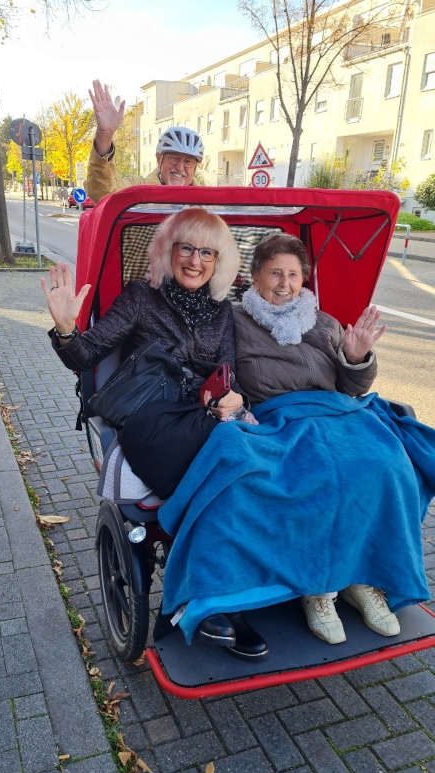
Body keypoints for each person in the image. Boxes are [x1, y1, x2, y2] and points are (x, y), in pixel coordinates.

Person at [158, 233, 435, 650]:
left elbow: (350, 385)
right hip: (276, 418)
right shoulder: (234, 322)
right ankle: (319, 589)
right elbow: (208, 366)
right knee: (308, 476)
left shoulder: (322, 323)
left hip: (339, 414)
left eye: (293, 274)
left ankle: (361, 578)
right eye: (275, 274)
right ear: (254, 277)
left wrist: (356, 357)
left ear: (305, 279)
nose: (285, 283)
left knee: (386, 462)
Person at [41, 206, 267, 658]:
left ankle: (241, 584)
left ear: (219, 261)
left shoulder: (222, 312)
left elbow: (227, 371)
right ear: (169, 250)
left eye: (208, 252)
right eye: (187, 247)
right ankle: (197, 600)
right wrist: (66, 327)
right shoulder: (142, 298)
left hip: (200, 415)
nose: (196, 260)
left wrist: (235, 398)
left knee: (255, 467)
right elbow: (87, 354)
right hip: (149, 419)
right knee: (219, 465)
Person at [86, 80, 205, 204]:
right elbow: (104, 193)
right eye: (174, 158)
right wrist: (105, 135)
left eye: (188, 162)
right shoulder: (138, 190)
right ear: (159, 159)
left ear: (195, 167)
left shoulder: (208, 202)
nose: (180, 167)